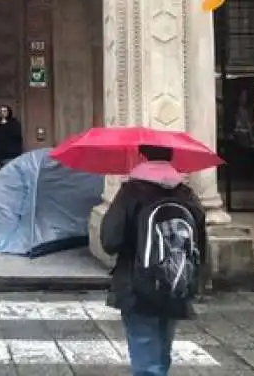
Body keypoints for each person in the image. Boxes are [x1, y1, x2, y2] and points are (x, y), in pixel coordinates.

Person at [101, 145, 207, 376]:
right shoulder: (185, 194)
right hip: (175, 282)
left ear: (142, 156)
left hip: (137, 285)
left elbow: (110, 241)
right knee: (161, 352)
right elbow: (200, 243)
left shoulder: (131, 193)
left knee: (146, 356)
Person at [0, 104, 23, 172]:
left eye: (4, 111)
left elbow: (17, 137)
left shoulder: (14, 123)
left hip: (10, 156)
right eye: (1, 111)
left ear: (8, 112)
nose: (2, 113)